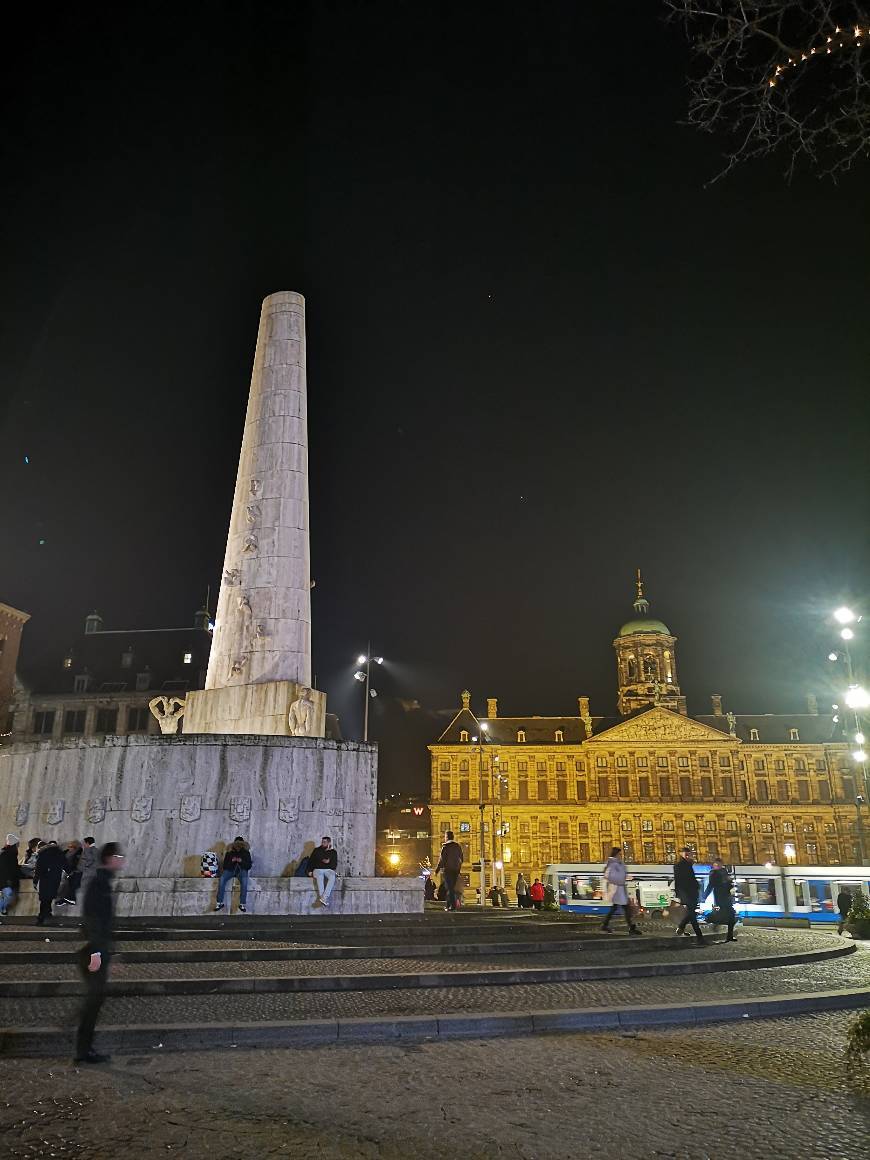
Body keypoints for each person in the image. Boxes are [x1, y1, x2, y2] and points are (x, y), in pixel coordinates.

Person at [75, 841, 124, 1064]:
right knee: (94, 1000)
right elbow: (93, 920)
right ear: (109, 858)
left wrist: (110, 953)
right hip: (94, 952)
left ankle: (85, 1048)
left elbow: (104, 924)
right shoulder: (99, 884)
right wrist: (97, 954)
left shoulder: (104, 883)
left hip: (99, 950)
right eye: (119, 857)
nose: (121, 861)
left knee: (95, 999)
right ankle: (83, 1051)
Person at [601, 847, 641, 935]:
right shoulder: (613, 863)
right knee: (625, 908)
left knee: (616, 908)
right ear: (616, 854)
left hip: (618, 889)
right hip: (616, 889)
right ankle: (631, 927)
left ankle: (605, 925)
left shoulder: (614, 863)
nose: (621, 856)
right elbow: (614, 876)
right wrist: (623, 877)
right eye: (620, 854)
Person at [673, 847, 704, 945]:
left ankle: (681, 927)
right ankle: (700, 937)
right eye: (688, 854)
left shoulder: (688, 864)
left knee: (691, 913)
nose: (689, 856)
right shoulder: (680, 865)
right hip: (687, 893)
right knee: (692, 914)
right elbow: (680, 880)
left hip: (691, 892)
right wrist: (680, 893)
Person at [214, 836, 252, 913]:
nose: (238, 846)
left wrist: (241, 861)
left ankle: (242, 904)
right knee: (222, 879)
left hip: (242, 870)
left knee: (245, 881)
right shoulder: (229, 852)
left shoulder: (246, 853)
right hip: (230, 870)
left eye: (240, 844)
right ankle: (219, 903)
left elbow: (249, 866)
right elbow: (224, 866)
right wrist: (232, 861)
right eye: (237, 844)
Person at [703, 857, 737, 941]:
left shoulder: (724, 872)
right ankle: (714, 923)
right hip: (719, 897)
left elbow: (729, 884)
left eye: (718, 864)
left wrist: (730, 883)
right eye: (715, 864)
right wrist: (704, 896)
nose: (717, 866)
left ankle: (729, 935)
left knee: (731, 915)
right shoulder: (713, 873)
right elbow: (710, 885)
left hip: (726, 896)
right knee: (724, 914)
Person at [33, 840, 66, 925]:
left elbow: (38, 869)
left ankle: (41, 918)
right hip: (55, 879)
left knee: (44, 899)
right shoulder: (60, 853)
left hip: (45, 879)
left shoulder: (43, 854)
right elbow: (66, 865)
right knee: (50, 896)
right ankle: (47, 912)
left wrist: (35, 880)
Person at [434, 831, 463, 911]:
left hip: (448, 870)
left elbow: (442, 860)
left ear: (447, 837)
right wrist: (458, 868)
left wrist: (437, 870)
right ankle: (448, 905)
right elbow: (461, 858)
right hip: (455, 870)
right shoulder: (458, 846)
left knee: (450, 888)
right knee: (451, 888)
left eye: (445, 836)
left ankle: (452, 906)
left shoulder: (445, 847)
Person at [308, 835, 338, 907]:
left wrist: (328, 857)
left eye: (324, 842)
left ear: (329, 843)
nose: (323, 843)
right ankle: (323, 898)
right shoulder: (317, 850)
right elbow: (311, 861)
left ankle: (324, 897)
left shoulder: (333, 852)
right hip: (317, 869)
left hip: (328, 870)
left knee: (332, 876)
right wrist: (309, 870)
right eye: (322, 842)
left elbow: (334, 865)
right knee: (320, 876)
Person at [56, 841, 83, 907]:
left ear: (75, 847)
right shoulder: (65, 852)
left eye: (71, 847)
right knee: (70, 880)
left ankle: (69, 899)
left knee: (73, 880)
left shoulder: (79, 853)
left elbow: (77, 863)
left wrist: (71, 871)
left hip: (73, 871)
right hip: (64, 870)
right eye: (69, 846)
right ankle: (69, 899)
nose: (69, 848)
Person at [0, 834, 21, 917]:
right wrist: (8, 879)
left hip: (7, 879)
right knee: (9, 895)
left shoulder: (9, 854)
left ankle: (3, 909)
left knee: (7, 896)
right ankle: (2, 908)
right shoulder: (7, 854)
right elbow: (6, 868)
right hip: (6, 879)